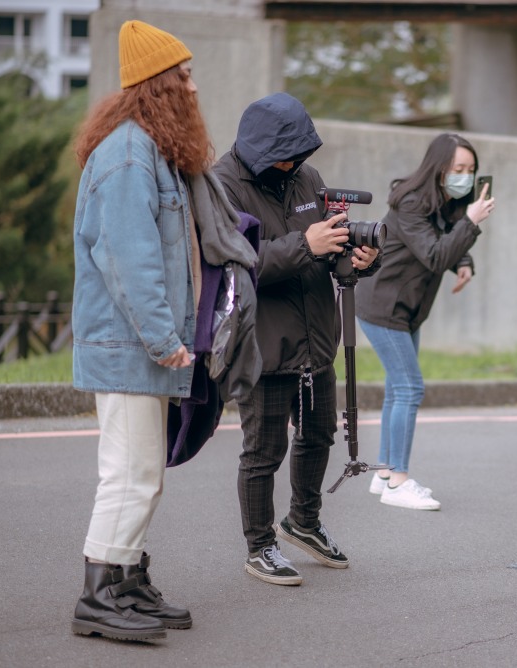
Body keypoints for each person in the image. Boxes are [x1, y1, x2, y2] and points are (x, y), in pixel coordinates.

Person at [69, 20, 211, 641]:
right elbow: (130, 258)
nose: (194, 86)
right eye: (182, 76)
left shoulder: (142, 148)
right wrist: (163, 339)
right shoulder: (128, 154)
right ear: (157, 85)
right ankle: (98, 596)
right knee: (129, 474)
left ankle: (125, 581)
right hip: (130, 347)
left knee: (142, 473)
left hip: (137, 346)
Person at [213, 93, 379, 586]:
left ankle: (303, 522)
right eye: (284, 153)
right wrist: (304, 245)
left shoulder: (305, 177)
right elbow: (234, 264)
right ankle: (260, 546)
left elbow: (330, 243)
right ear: (259, 147)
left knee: (318, 434)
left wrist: (357, 257)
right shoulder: (223, 185)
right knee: (263, 452)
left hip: (316, 340)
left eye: (299, 152)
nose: (294, 162)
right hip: (264, 345)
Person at [355, 133, 495, 510]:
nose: (465, 177)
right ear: (439, 169)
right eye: (458, 169)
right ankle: (398, 482)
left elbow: (443, 243)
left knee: (397, 389)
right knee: (409, 388)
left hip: (407, 308)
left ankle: (384, 473)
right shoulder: (413, 202)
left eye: (470, 170)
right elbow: (434, 254)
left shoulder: (444, 202)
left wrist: (463, 262)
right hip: (383, 306)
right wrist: (471, 223)